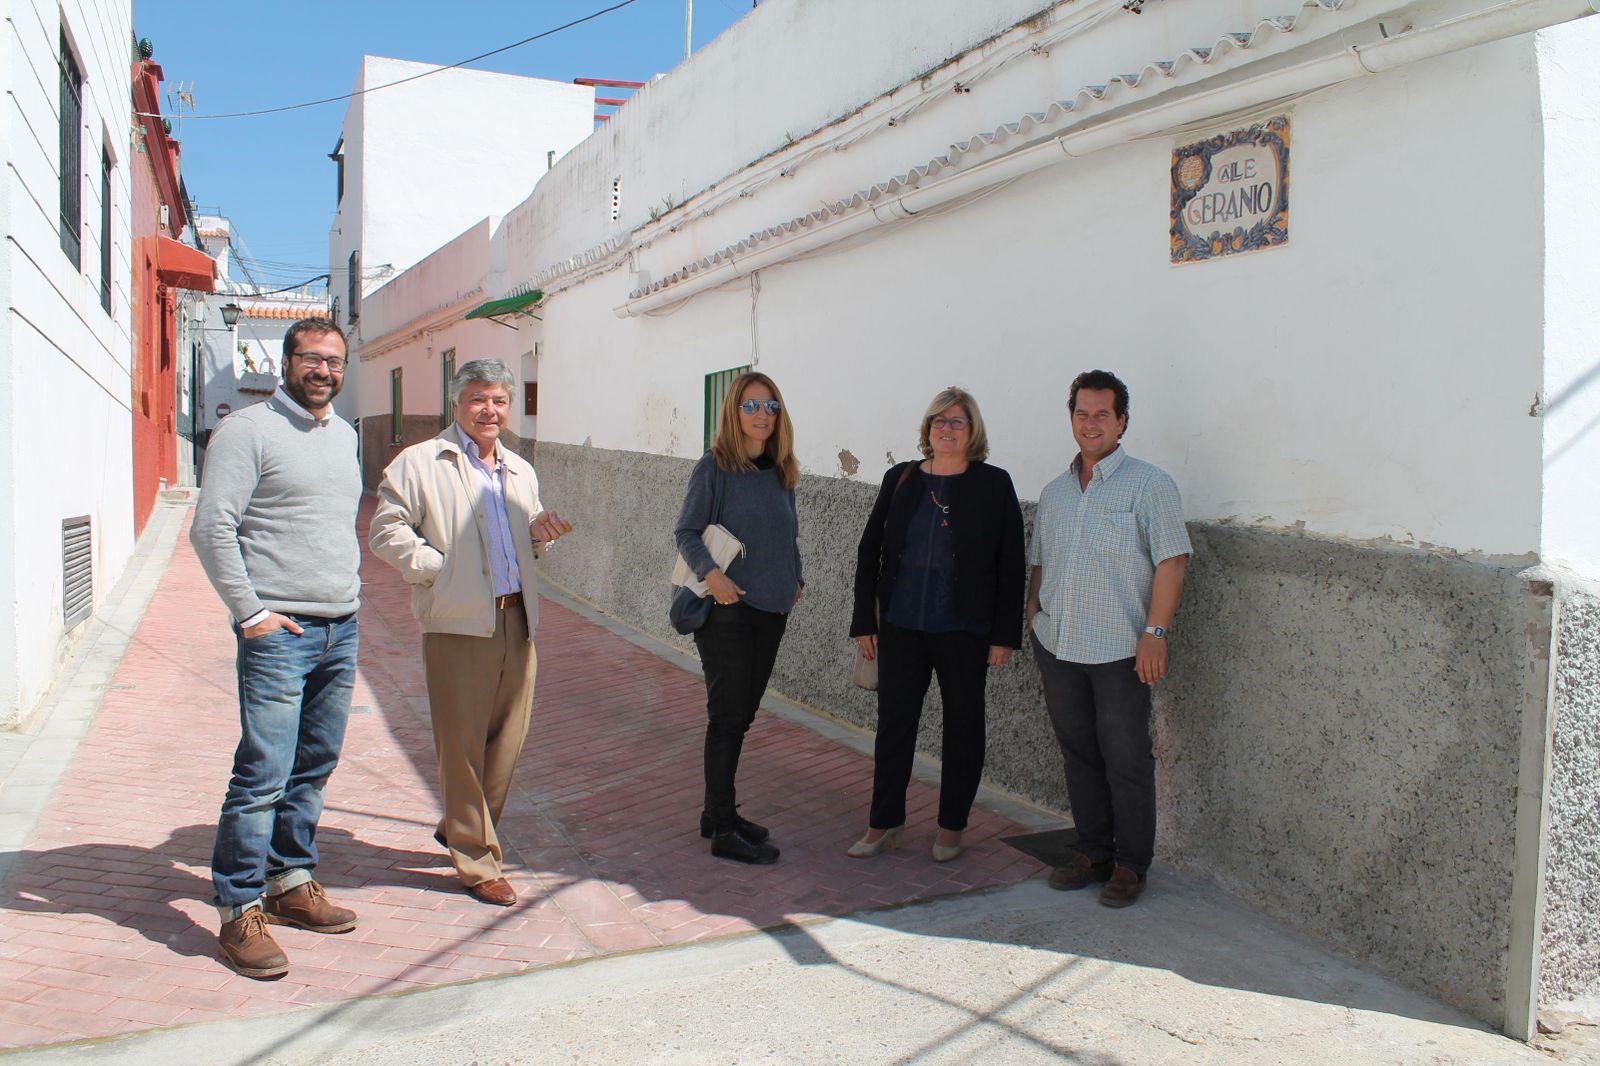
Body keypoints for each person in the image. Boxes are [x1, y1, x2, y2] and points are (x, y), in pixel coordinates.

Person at [189, 317, 362, 979]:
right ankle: (237, 910)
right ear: (286, 362)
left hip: (339, 627)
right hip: (279, 633)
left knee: (315, 764)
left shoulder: (343, 435)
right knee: (263, 771)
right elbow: (212, 529)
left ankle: (290, 882)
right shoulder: (247, 432)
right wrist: (251, 612)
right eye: (312, 358)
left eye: (335, 361)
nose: (324, 371)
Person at [369, 359, 572, 907]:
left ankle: (463, 824)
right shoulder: (420, 463)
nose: (491, 410)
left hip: (517, 617)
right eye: (479, 399)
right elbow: (385, 532)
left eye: (500, 400)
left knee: (507, 739)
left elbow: (523, 542)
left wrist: (538, 536)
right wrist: (438, 568)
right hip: (458, 621)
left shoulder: (520, 470)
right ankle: (477, 859)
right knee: (460, 743)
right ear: (456, 404)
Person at [1028, 369, 1191, 907]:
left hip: (1122, 651)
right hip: (1059, 646)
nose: (1090, 423)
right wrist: (1033, 612)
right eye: (1082, 413)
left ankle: (1130, 865)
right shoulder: (1054, 493)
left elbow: (1172, 559)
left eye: (1102, 414)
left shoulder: (1149, 484)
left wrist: (1156, 633)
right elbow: (1041, 562)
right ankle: (1093, 852)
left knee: (1125, 758)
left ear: (1122, 421)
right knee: (1079, 755)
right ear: (1070, 418)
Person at [848, 387, 1025, 862]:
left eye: (957, 421)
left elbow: (1012, 562)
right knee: (894, 728)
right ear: (927, 430)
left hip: (965, 631)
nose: (947, 428)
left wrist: (1005, 634)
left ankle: (951, 827)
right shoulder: (900, 478)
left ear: (973, 432)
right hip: (902, 626)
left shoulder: (993, 483)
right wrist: (864, 619)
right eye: (939, 421)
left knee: (964, 728)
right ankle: (884, 823)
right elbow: (870, 550)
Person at [674, 371, 803, 865]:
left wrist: (798, 578)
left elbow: (788, 534)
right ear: (733, 411)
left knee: (742, 715)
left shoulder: (782, 471)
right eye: (751, 406)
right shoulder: (714, 468)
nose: (761, 416)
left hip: (772, 609)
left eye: (771, 407)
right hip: (726, 610)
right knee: (727, 718)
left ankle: (716, 811)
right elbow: (686, 531)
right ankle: (724, 829)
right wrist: (714, 577)